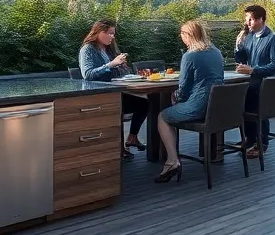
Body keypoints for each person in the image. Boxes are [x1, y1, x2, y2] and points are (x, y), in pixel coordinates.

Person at [154, 19, 226, 183]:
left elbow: (184, 88)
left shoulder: (190, 56)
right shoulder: (216, 52)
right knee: (170, 111)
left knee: (162, 116)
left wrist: (176, 99)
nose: (181, 37)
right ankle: (174, 160)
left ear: (188, 35)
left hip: (199, 107)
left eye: (182, 34)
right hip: (216, 107)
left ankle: (172, 161)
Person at [78, 19, 148, 161]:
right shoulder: (88, 49)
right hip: (99, 96)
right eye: (110, 33)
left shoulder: (109, 49)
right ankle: (116, 148)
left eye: (113, 34)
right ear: (99, 32)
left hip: (114, 93)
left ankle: (132, 138)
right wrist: (111, 64)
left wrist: (122, 67)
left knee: (144, 104)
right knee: (122, 107)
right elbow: (88, 74)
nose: (112, 37)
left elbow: (117, 73)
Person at [234, 4, 275, 158]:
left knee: (255, 103)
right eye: (247, 20)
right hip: (250, 83)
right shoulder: (249, 37)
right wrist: (238, 46)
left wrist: (253, 70)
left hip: (264, 86)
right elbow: (242, 59)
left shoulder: (273, 38)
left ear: (261, 19)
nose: (247, 23)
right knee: (240, 101)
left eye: (250, 20)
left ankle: (262, 143)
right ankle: (249, 139)